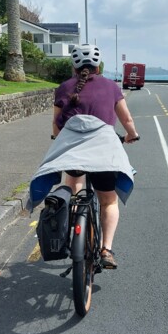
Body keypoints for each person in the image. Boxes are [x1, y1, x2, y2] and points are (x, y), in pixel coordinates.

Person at [49, 44, 139, 269]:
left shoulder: (64, 88)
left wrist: (61, 140)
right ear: (98, 66)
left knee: (73, 188)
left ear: (74, 66)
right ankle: (106, 250)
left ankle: (73, 223)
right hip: (103, 153)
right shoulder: (111, 86)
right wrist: (132, 135)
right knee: (108, 201)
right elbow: (127, 120)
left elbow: (56, 126)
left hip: (74, 152)